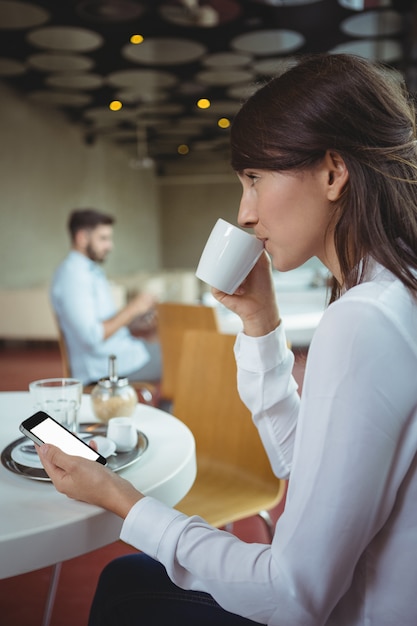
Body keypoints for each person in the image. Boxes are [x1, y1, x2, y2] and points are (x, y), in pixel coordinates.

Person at [38, 53, 417, 625]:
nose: (244, 212)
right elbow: (300, 459)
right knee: (127, 581)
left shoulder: (362, 319)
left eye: (255, 179)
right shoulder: (391, 292)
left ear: (334, 172)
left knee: (125, 586)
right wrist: (261, 324)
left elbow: (293, 595)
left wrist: (121, 499)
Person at [50, 208, 162, 385]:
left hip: (123, 354)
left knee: (179, 354)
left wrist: (135, 322)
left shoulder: (90, 272)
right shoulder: (73, 276)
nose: (110, 246)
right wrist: (133, 308)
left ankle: (165, 410)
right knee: (183, 359)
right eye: (103, 238)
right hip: (104, 367)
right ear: (81, 238)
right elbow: (91, 336)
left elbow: (105, 324)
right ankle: (168, 411)